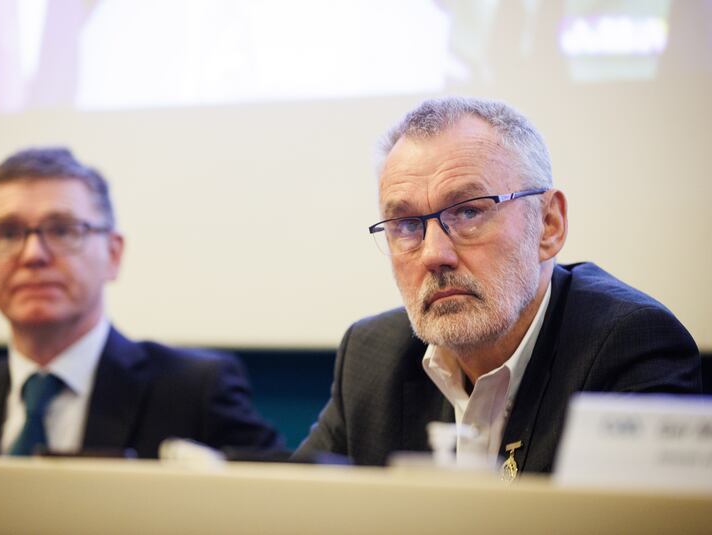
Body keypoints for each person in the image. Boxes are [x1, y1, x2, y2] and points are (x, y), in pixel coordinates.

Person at [295, 96, 701, 474]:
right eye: (406, 225)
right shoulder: (373, 356)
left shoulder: (629, 346)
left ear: (548, 224)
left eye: (469, 212)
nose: (434, 254)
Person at [0, 147, 281, 458]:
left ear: (113, 254)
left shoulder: (195, 393)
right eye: (8, 233)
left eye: (62, 230)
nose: (33, 255)